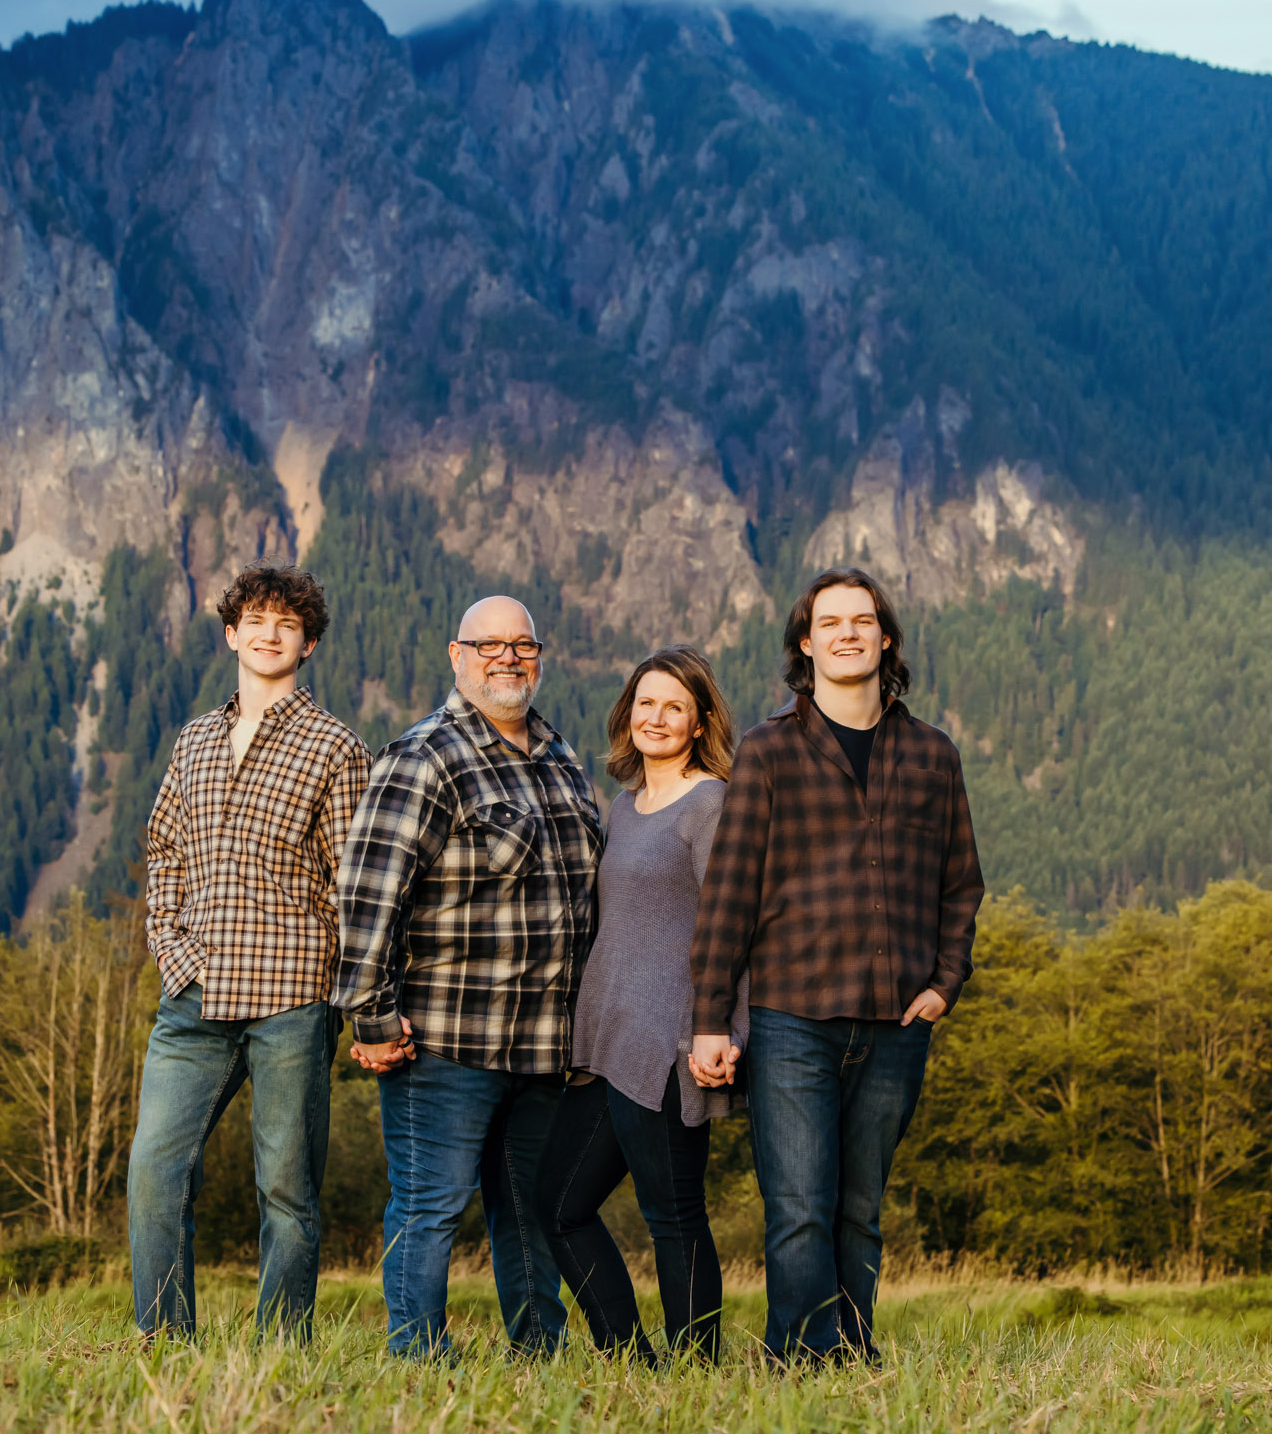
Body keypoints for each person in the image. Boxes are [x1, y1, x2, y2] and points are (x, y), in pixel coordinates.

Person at [688, 567, 984, 1362]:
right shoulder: (767, 752)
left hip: (896, 1022)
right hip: (791, 1017)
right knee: (798, 1206)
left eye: (864, 619)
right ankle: (802, 1358)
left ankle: (852, 1350)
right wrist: (710, 1020)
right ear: (806, 642)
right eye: (831, 621)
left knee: (860, 1207)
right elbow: (729, 895)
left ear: (885, 638)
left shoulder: (932, 755)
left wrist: (944, 984)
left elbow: (963, 883)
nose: (848, 632)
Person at [332, 595, 606, 1359]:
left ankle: (538, 1354)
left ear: (539, 657)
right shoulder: (424, 756)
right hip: (446, 1043)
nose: (507, 657)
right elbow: (366, 896)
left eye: (522, 644)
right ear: (458, 656)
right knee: (430, 1208)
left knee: (530, 1211)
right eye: (489, 645)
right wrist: (374, 1018)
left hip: (546, 1049)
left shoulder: (561, 760)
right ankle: (417, 1356)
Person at [126, 563, 371, 1341]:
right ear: (232, 633)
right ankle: (165, 1338)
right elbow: (164, 848)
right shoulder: (195, 737)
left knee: (288, 1190)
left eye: (288, 625)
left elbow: (355, 884)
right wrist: (170, 945)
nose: (270, 634)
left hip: (290, 997)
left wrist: (332, 979)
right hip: (193, 994)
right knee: (155, 1172)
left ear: (308, 645)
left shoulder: (336, 746)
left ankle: (281, 1350)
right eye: (257, 620)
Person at [538, 647, 742, 1362]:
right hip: (605, 1041)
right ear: (629, 713)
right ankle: (629, 1355)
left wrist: (723, 1032)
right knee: (559, 1205)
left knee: (674, 1216)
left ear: (699, 721)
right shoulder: (624, 806)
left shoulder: (710, 802)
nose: (656, 717)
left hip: (667, 1043)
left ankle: (696, 1371)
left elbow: (737, 924)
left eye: (674, 706)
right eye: (645, 703)